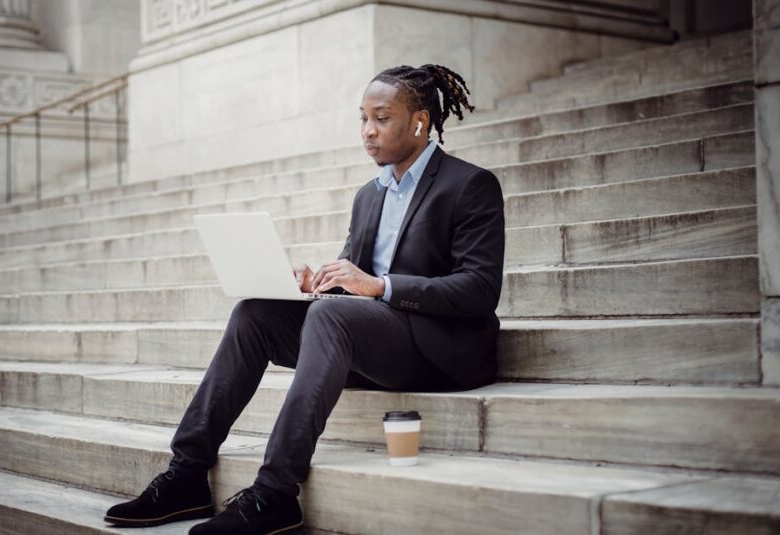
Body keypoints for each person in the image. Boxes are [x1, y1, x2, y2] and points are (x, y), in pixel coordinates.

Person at [104, 64, 505, 534]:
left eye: (381, 118)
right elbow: (353, 272)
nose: (367, 132)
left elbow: (480, 289)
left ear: (419, 121)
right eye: (362, 119)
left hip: (436, 350)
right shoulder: (368, 195)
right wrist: (320, 279)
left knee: (332, 316)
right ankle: (187, 473)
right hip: (369, 337)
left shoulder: (469, 185)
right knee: (255, 313)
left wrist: (381, 286)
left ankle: (276, 493)